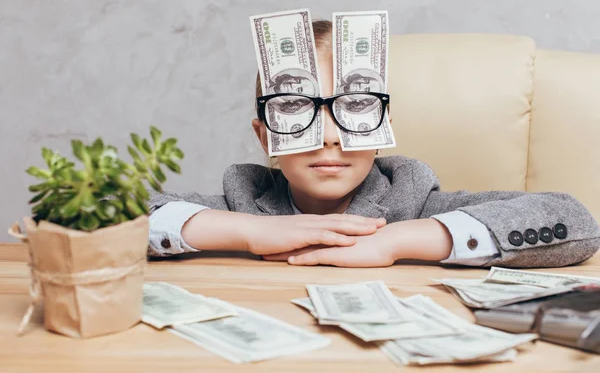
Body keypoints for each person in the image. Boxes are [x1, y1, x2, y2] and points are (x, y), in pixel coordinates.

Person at [147, 20, 600, 268]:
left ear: (382, 130)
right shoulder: (242, 200)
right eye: (295, 110)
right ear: (265, 136)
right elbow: (95, 218)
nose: (328, 136)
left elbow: (573, 220)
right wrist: (248, 231)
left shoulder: (414, 199)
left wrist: (401, 241)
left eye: (354, 110)